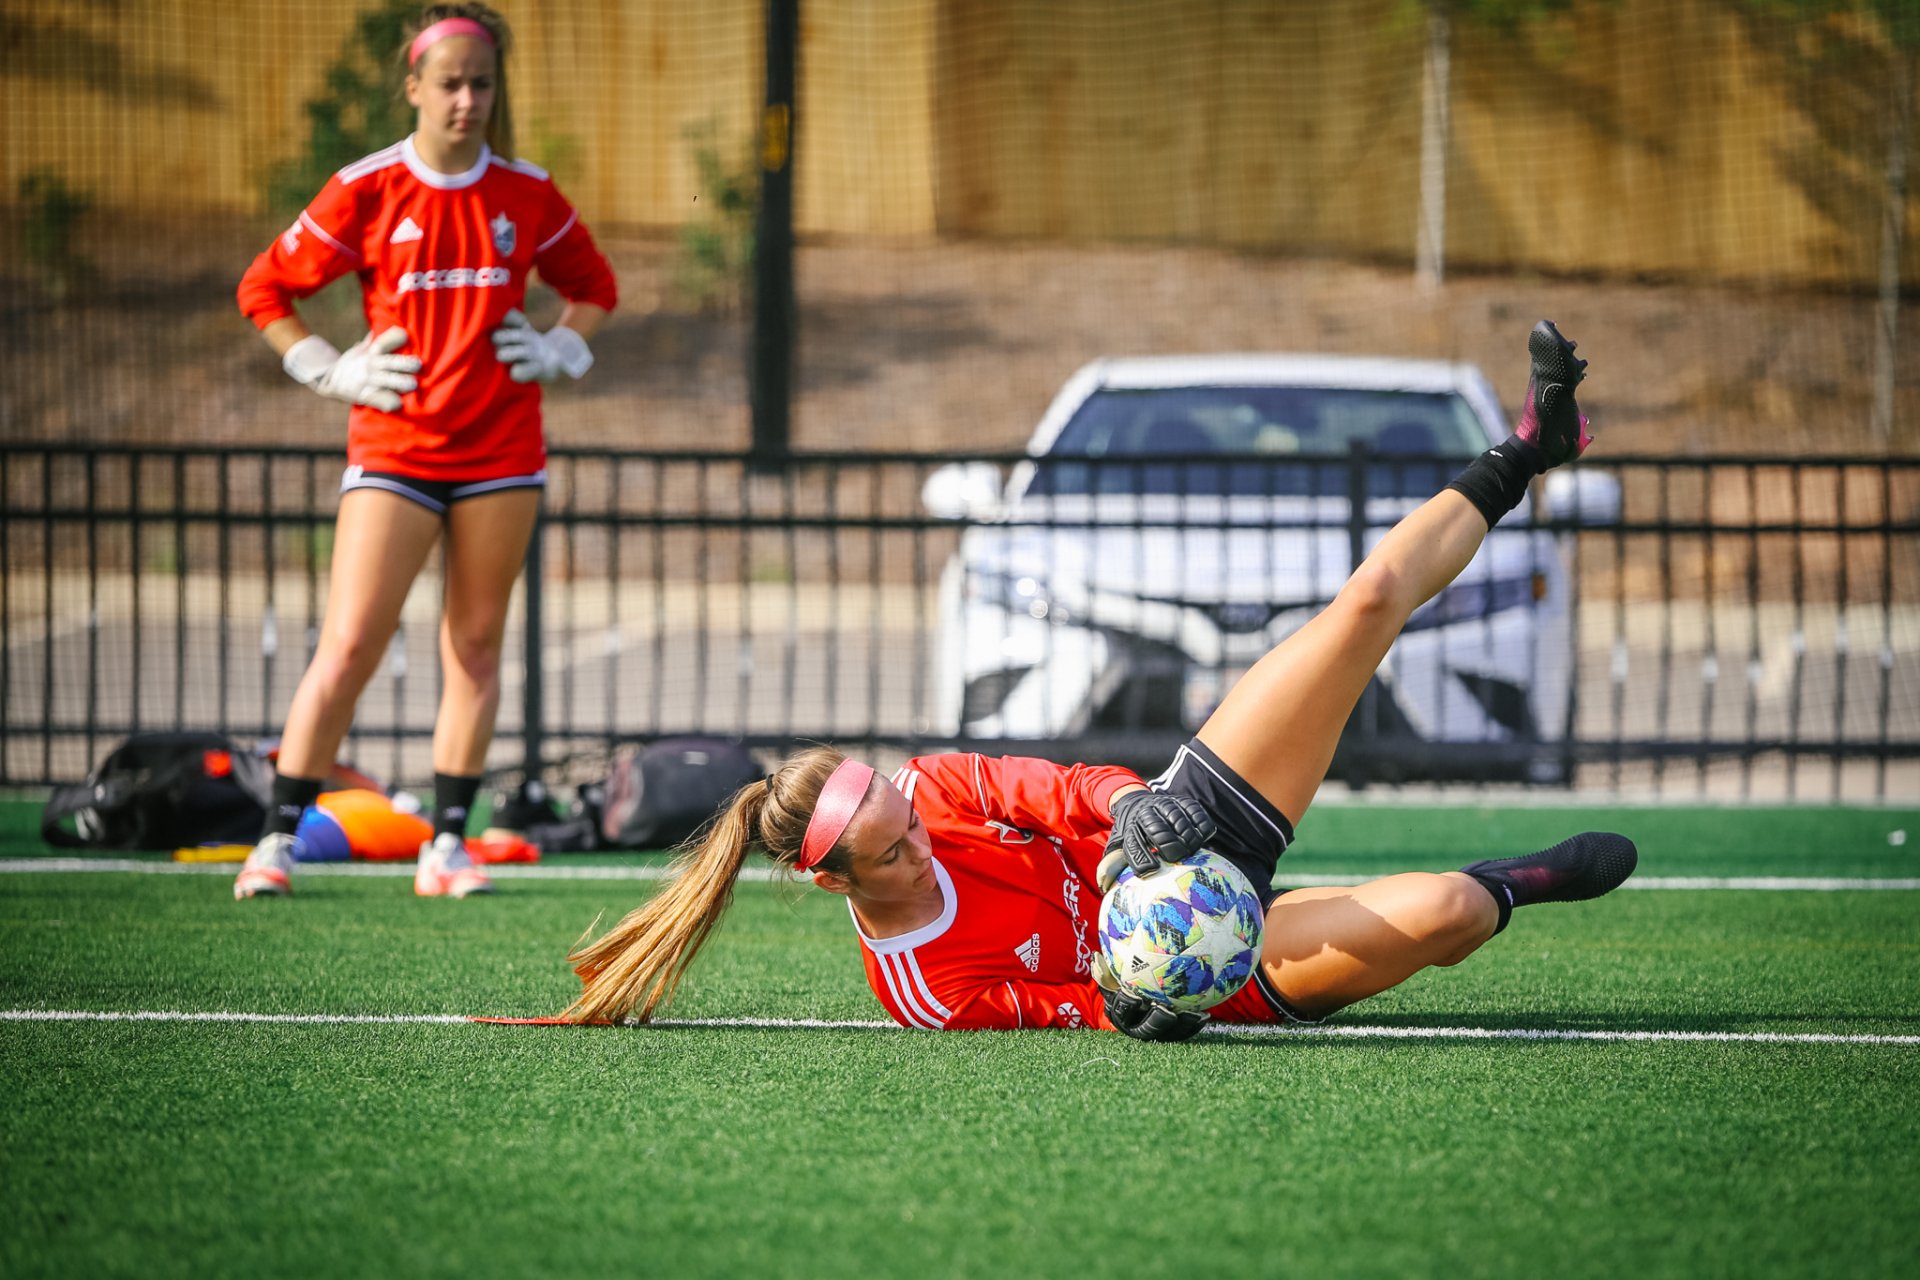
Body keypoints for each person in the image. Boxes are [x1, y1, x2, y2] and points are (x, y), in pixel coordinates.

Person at [563, 323, 1637, 1039]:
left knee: (1361, 607)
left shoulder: (932, 788)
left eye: (906, 812)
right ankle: (1519, 879)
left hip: (1181, 823)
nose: (922, 834)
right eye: (894, 849)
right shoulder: (925, 988)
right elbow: (1062, 1005)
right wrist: (1132, 997)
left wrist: (1134, 802)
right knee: (1449, 907)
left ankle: (1534, 445)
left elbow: (1051, 787)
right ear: (835, 882)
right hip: (1211, 955)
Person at [231, 4, 617, 901]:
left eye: (482, 83)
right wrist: (324, 368)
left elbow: (594, 287)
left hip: (503, 451)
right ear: (413, 86)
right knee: (351, 644)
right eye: (449, 83)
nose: (467, 100)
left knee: (475, 648)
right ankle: (276, 842)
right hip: (397, 447)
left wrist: (564, 348)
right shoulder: (366, 188)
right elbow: (265, 286)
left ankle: (446, 847)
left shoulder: (526, 192)